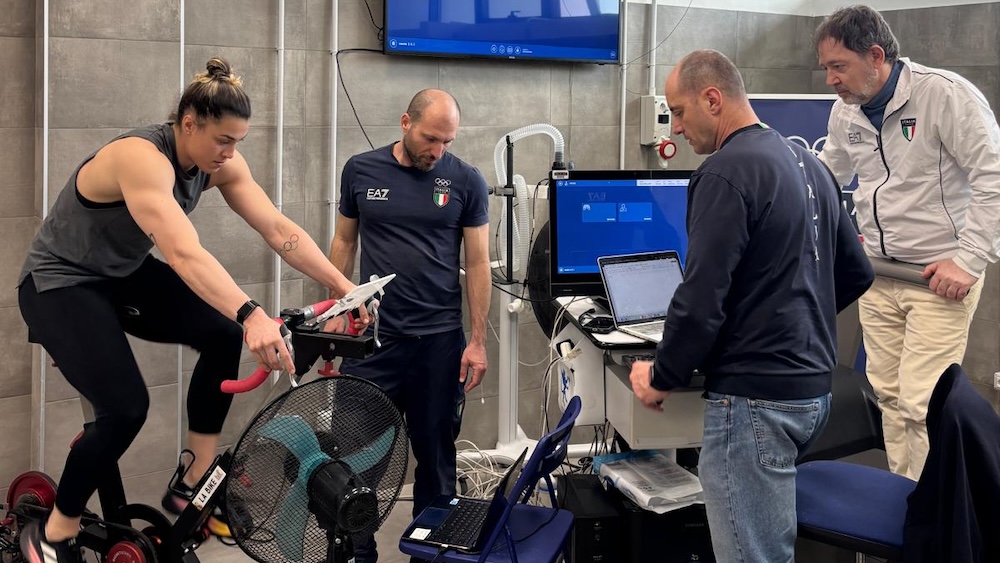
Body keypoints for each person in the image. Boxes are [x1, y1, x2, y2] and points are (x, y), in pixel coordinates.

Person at [17, 57, 365, 563]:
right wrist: (252, 314)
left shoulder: (217, 163)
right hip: (59, 283)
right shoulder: (140, 158)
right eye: (223, 140)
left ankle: (194, 479)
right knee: (125, 410)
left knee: (221, 334)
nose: (229, 154)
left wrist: (345, 288)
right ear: (188, 123)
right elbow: (182, 253)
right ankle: (53, 531)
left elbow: (276, 228)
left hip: (119, 276)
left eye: (237, 143)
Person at [627, 50, 874, 562]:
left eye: (678, 111)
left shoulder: (724, 172)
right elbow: (855, 273)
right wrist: (789, 318)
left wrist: (662, 375)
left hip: (754, 404)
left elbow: (699, 302)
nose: (675, 128)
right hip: (813, 392)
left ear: (712, 99)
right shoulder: (811, 164)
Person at [815, 5, 1000, 480]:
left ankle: (935, 518)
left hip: (939, 279)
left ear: (875, 55)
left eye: (839, 67)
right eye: (827, 69)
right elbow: (826, 177)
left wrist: (970, 260)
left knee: (923, 404)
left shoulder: (945, 96)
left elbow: (993, 176)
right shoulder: (846, 111)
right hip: (879, 276)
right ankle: (905, 501)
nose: (831, 80)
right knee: (891, 400)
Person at [328, 88, 490, 563]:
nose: (437, 151)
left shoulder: (466, 181)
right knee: (355, 457)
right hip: (373, 342)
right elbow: (343, 241)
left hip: (439, 343)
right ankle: (356, 552)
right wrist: (338, 306)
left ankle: (431, 553)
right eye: (430, 138)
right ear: (405, 122)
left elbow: (477, 263)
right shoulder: (361, 170)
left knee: (437, 459)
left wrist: (477, 341)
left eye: (446, 141)